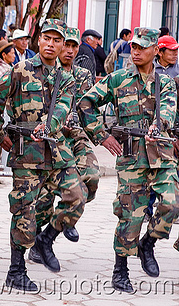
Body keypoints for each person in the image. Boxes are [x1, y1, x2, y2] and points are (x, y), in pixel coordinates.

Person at [78, 27, 179, 293]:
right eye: (133, 46)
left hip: (162, 156)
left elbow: (168, 107)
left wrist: (161, 124)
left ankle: (149, 244)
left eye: (141, 47)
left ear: (155, 51)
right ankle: (120, 270)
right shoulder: (117, 79)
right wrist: (101, 136)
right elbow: (86, 102)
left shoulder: (165, 81)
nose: (135, 51)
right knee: (130, 216)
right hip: (132, 157)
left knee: (172, 203)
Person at [0, 19, 85, 291]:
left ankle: (47, 239)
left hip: (57, 152)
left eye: (58, 40)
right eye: (47, 38)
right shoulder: (18, 70)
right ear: (38, 40)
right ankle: (16, 270)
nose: (52, 44)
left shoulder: (66, 78)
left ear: (63, 44)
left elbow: (63, 109)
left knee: (76, 197)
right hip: (25, 154)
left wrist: (49, 126)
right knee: (24, 212)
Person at [29, 27, 99, 263]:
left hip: (75, 135)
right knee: (45, 195)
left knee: (91, 176)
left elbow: (87, 107)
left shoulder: (82, 75)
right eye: (65, 45)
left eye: (73, 46)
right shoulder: (43, 72)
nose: (69, 51)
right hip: (52, 137)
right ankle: (38, 242)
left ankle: (67, 217)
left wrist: (98, 133)